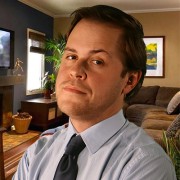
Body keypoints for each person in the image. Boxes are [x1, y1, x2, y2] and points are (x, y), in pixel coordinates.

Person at [13, 5, 177, 180]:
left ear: (129, 81)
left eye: (97, 61)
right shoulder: (36, 153)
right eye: (71, 56)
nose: (75, 70)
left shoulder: (147, 166)